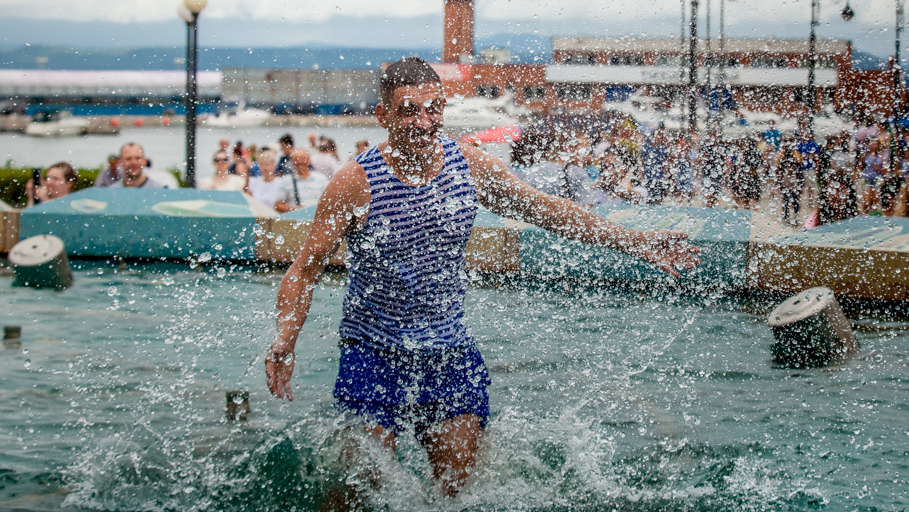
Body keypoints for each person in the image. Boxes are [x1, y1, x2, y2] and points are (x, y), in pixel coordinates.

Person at [265, 58, 699, 498]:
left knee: (457, 493)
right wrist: (286, 337)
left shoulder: (467, 166)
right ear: (384, 116)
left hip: (449, 351)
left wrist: (631, 240)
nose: (424, 121)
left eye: (433, 109)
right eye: (410, 110)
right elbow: (305, 269)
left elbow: (544, 209)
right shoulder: (355, 183)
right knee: (357, 492)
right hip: (374, 352)